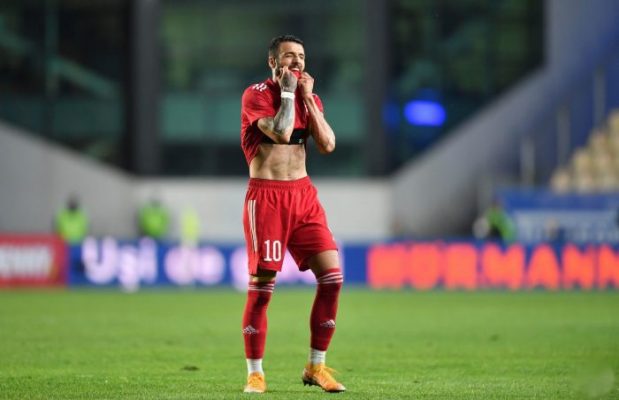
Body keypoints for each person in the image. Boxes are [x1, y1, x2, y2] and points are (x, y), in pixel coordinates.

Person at [239, 34, 345, 394]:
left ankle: (316, 366)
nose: (297, 62)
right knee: (262, 289)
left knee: (332, 278)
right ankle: (255, 373)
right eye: (289, 56)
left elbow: (328, 144)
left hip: (303, 196)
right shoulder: (256, 95)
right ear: (273, 62)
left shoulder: (309, 98)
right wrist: (287, 93)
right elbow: (283, 133)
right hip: (267, 197)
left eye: (301, 56)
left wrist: (307, 100)